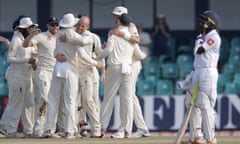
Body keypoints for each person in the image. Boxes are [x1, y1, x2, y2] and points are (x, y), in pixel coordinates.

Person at [178, 10, 221, 144]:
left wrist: (200, 38)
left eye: (204, 22)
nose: (200, 23)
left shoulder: (214, 37)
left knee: (205, 104)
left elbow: (199, 50)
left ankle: (210, 138)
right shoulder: (201, 36)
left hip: (208, 72)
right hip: (198, 71)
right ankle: (196, 136)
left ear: (210, 24)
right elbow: (197, 54)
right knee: (190, 101)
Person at [59, 15, 105, 137]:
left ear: (87, 26)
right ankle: (75, 129)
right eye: (79, 24)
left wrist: (103, 69)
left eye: (83, 26)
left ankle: (96, 129)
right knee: (73, 102)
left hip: (87, 71)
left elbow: (99, 54)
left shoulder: (91, 36)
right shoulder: (72, 33)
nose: (80, 27)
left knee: (88, 101)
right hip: (74, 71)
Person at [22, 16, 60, 137]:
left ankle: (49, 130)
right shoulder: (41, 36)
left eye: (56, 25)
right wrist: (31, 35)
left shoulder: (61, 37)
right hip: (43, 72)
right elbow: (25, 44)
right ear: (48, 26)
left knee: (53, 102)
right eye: (52, 25)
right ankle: (39, 130)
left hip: (56, 73)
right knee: (45, 100)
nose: (55, 27)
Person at [4, 17, 38, 138]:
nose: (30, 29)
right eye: (29, 28)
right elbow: (10, 59)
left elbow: (32, 52)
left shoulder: (27, 39)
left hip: (27, 76)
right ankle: (11, 131)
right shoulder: (16, 40)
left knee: (29, 104)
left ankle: (29, 130)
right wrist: (27, 60)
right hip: (17, 76)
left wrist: (33, 61)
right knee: (16, 104)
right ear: (23, 28)